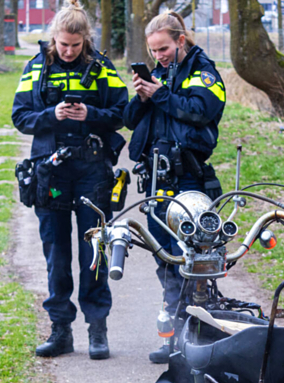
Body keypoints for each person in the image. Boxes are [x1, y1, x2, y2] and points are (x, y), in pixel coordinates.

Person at [11, 1, 128, 359]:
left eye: (75, 45)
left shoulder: (102, 68)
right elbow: (20, 116)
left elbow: (123, 112)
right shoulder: (37, 68)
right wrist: (52, 114)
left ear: (85, 40)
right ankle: (60, 331)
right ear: (53, 39)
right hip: (51, 172)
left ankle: (98, 331)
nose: (68, 51)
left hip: (92, 172)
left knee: (94, 254)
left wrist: (90, 113)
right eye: (63, 44)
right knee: (56, 256)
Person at [123, 11, 226, 364]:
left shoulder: (204, 71)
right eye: (153, 51)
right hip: (156, 179)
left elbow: (202, 110)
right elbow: (129, 119)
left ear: (181, 40)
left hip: (188, 180)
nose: (159, 57)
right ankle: (174, 336)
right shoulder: (158, 74)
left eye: (164, 48)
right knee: (165, 258)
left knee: (193, 259)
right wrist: (142, 96)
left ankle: (198, 338)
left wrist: (161, 94)